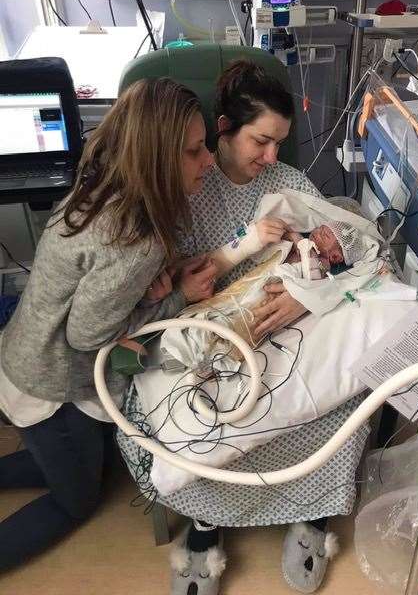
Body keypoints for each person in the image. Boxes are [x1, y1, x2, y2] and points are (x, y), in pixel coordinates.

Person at [118, 61, 370, 595]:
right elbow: (164, 276)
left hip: (292, 323)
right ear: (223, 128)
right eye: (261, 141)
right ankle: (207, 526)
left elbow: (345, 251)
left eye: (280, 143)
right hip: (209, 330)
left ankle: (314, 515)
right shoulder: (185, 189)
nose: (271, 157)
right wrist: (240, 247)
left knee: (346, 387)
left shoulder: (288, 183)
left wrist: (306, 296)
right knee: (210, 410)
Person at [0, 77, 218, 571]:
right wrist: (177, 297)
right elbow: (89, 336)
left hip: (21, 349)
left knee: (58, 457)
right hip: (49, 384)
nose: (208, 161)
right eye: (195, 151)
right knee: (77, 499)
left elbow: (97, 278)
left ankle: (49, 459)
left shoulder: (100, 188)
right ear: (156, 161)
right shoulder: (138, 241)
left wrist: (161, 279)